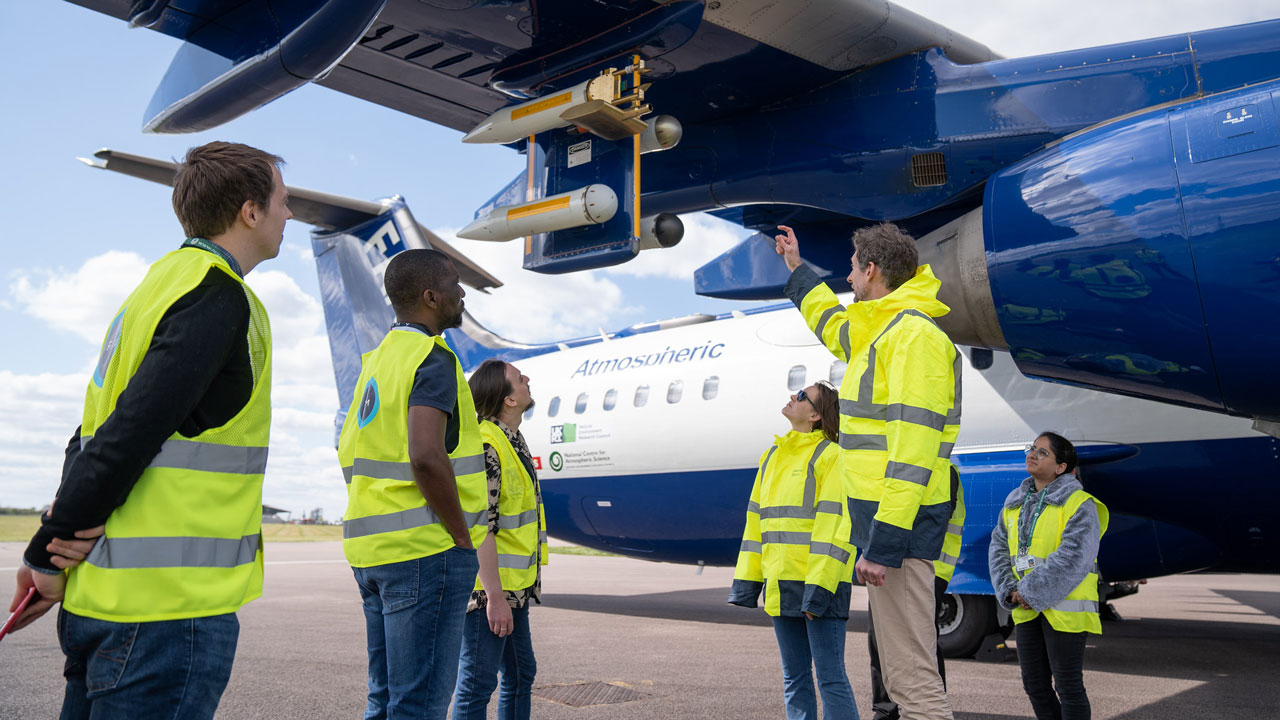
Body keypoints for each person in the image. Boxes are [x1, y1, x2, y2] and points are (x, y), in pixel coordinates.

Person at [8, 141, 289, 719]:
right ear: (250, 211)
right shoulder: (217, 296)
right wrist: (44, 557)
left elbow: (90, 432)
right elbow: (128, 433)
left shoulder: (156, 286)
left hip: (107, 603)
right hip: (163, 619)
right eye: (283, 201)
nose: (290, 214)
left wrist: (54, 547)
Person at [775, 223, 960, 720]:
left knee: (912, 676)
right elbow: (830, 322)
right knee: (901, 673)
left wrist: (883, 544)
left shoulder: (912, 336)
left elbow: (913, 450)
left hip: (898, 530)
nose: (850, 276)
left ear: (871, 270)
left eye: (853, 267)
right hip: (885, 527)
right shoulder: (879, 329)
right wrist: (797, 269)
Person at [338, 248, 489, 720]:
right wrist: (462, 536)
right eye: (455, 285)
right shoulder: (432, 356)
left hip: (371, 553)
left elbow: (349, 451)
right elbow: (425, 455)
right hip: (424, 551)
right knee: (419, 705)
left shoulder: (376, 363)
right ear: (430, 296)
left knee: (384, 700)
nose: (462, 293)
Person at [729, 382, 859, 720]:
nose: (792, 397)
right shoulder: (771, 456)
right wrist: (747, 582)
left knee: (830, 679)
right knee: (794, 678)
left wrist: (819, 589)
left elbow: (835, 529)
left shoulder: (831, 455)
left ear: (816, 415)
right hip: (781, 585)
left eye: (802, 396)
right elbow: (755, 523)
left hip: (820, 585)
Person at [988, 433, 1108, 720]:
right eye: (1032, 449)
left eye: (1043, 453)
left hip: (1065, 610)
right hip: (1027, 609)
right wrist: (1010, 590)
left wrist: (1029, 591)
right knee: (1035, 686)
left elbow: (1073, 557)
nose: (1033, 454)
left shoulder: (1080, 503)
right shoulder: (1015, 502)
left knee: (1068, 686)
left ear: (1061, 467)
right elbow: (999, 547)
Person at [452, 359, 546, 720]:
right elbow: (480, 528)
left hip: (514, 587)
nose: (526, 381)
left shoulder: (513, 441)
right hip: (487, 592)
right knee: (477, 685)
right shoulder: (488, 445)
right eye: (519, 379)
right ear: (507, 399)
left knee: (522, 674)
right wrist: (493, 597)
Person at [868, 469, 964, 720]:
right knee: (883, 645)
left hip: (926, 569)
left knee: (919, 653)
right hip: (897, 563)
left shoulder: (940, 472)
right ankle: (886, 708)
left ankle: (921, 706)